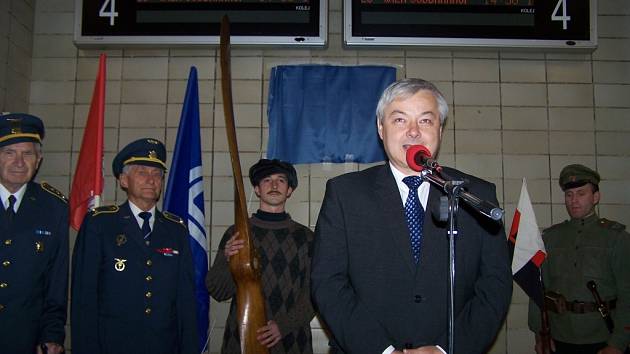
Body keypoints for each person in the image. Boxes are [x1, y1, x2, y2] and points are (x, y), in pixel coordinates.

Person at [311, 78, 512, 354]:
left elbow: (495, 285)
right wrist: (383, 351)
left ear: (440, 129)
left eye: (426, 121)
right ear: (381, 129)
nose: (413, 132)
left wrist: (445, 350)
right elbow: (327, 282)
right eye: (400, 120)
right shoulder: (345, 194)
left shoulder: (476, 195)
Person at [71, 138, 198, 354]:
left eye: (157, 174)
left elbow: (185, 300)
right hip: (112, 344)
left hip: (164, 345)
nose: (151, 180)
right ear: (123, 180)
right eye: (142, 172)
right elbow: (84, 297)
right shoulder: (100, 223)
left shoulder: (175, 229)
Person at [206, 158, 315, 353]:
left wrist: (283, 326)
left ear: (290, 190)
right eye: (266, 180)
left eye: (281, 180)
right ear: (257, 189)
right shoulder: (237, 233)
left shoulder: (306, 238)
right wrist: (227, 258)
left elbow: (314, 294)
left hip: (291, 340)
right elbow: (218, 292)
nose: (274, 185)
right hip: (242, 338)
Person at [528, 164, 630, 354]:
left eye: (581, 193)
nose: (574, 201)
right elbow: (539, 290)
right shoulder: (550, 238)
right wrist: (541, 335)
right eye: (569, 195)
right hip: (560, 337)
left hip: (603, 337)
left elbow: (628, 294)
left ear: (596, 197)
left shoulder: (617, 238)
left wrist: (618, 343)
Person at [0, 113, 68, 354]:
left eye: (27, 153)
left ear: (38, 160)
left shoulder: (54, 208)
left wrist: (52, 335)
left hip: (24, 339)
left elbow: (56, 281)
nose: (19, 162)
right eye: (9, 152)